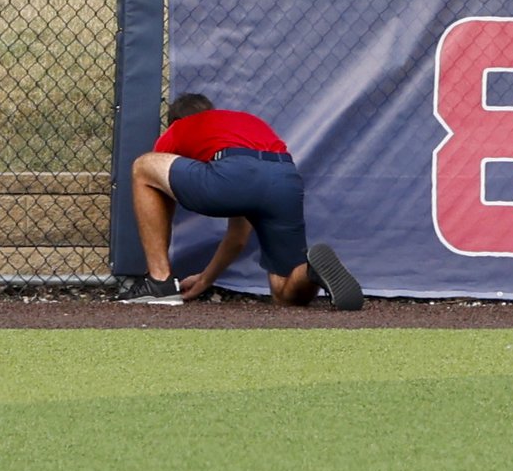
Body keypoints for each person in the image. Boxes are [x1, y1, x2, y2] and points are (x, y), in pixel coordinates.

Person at [117, 93, 364, 310]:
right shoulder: (244, 123)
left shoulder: (180, 127)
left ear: (174, 121)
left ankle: (159, 282)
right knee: (285, 294)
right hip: (285, 179)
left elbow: (156, 179)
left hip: (232, 173)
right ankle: (310, 271)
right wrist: (204, 279)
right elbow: (238, 236)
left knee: (143, 168)